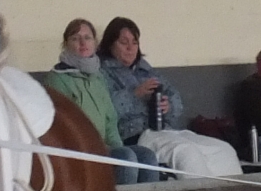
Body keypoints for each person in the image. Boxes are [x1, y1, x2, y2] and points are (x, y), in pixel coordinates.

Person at [99, 17, 242, 179]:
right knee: (186, 153)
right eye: (123, 42)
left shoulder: (146, 70)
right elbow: (104, 111)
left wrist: (168, 107)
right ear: (110, 44)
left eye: (135, 42)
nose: (130, 48)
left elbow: (175, 98)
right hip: (136, 135)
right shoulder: (102, 73)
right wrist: (135, 94)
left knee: (223, 150)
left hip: (166, 130)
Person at [46, 18, 159, 185]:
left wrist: (117, 146)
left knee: (146, 156)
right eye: (76, 38)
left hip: (103, 147)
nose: (83, 43)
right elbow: (63, 127)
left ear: (95, 43)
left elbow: (110, 120)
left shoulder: (98, 77)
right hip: (79, 151)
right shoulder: (57, 79)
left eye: (87, 38)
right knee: (125, 157)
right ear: (66, 44)